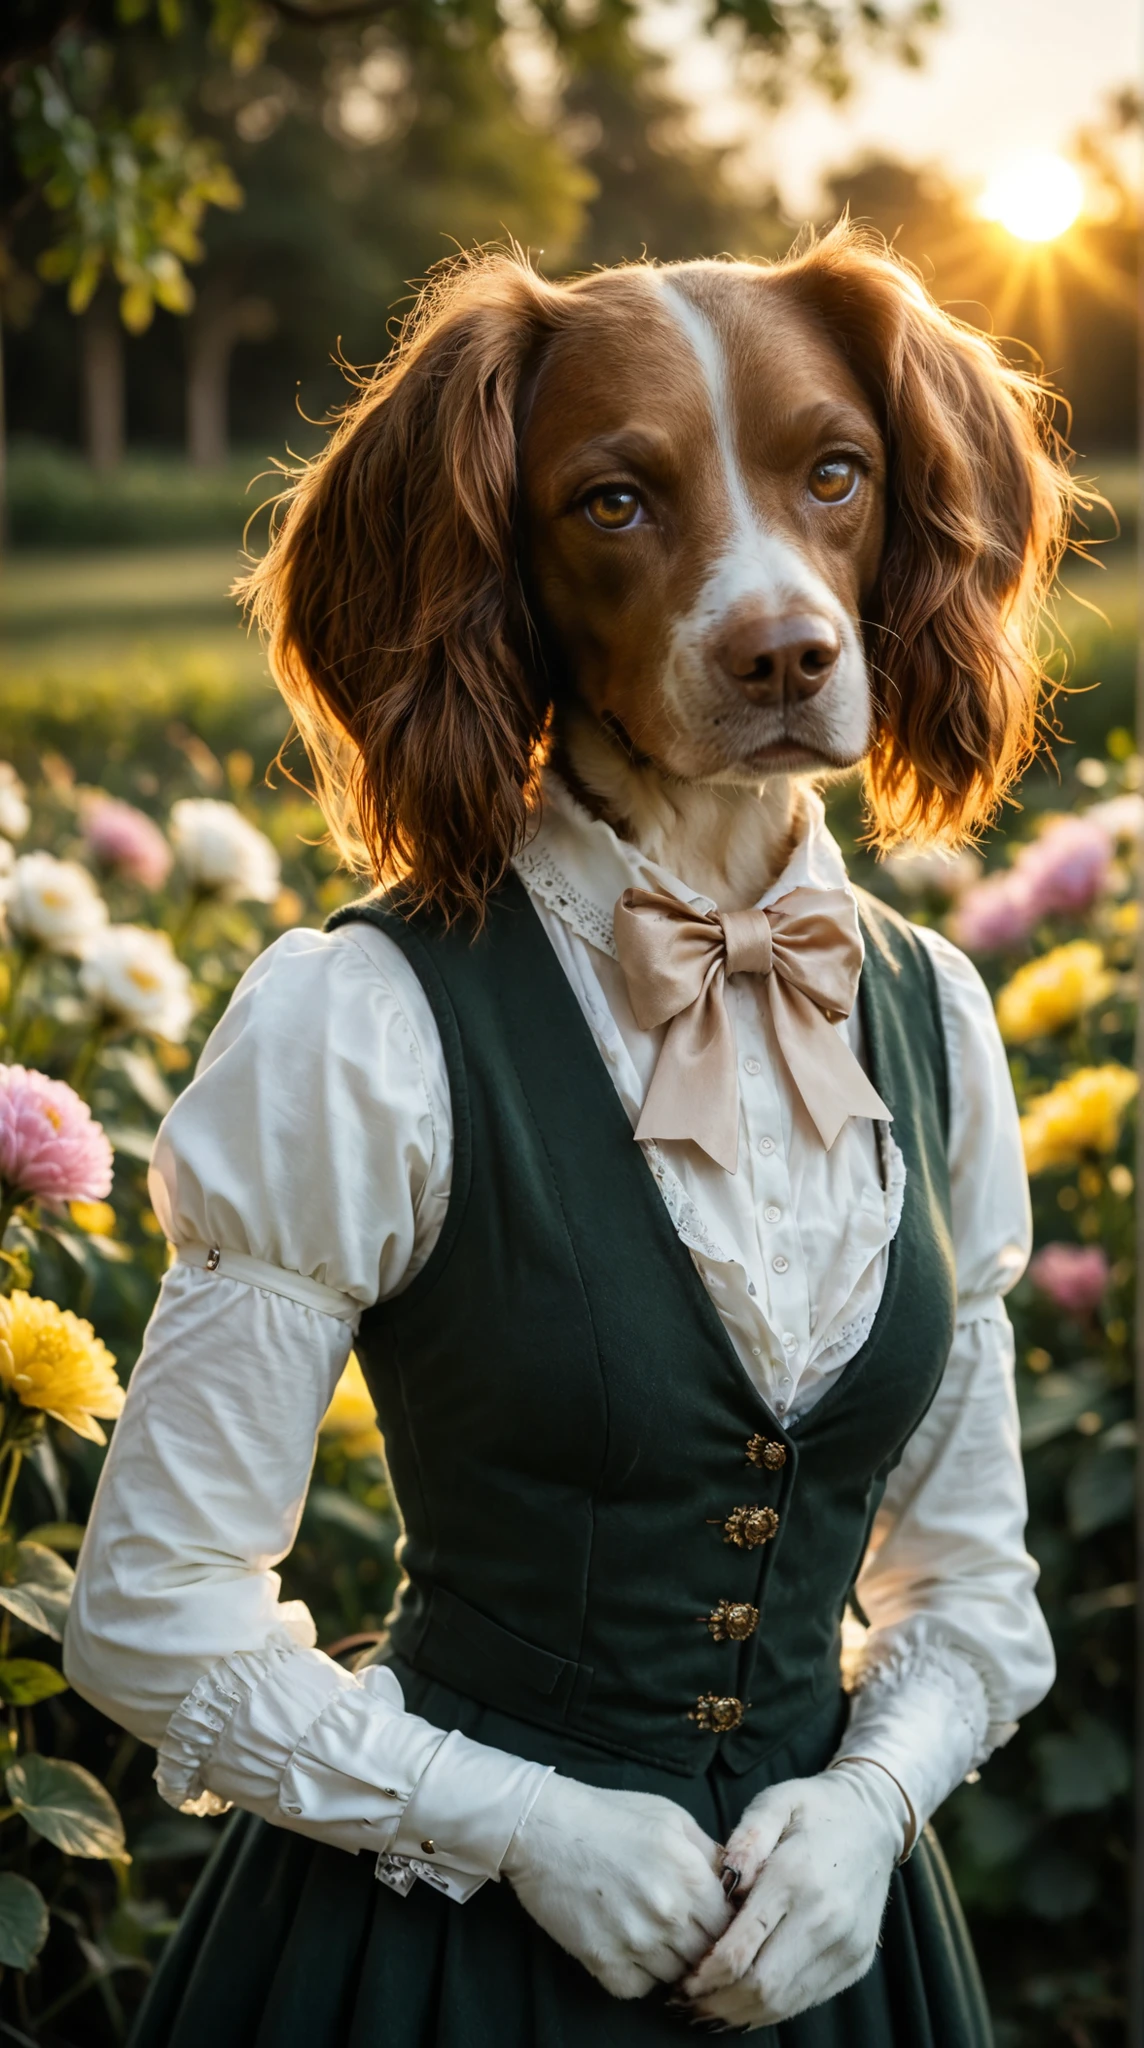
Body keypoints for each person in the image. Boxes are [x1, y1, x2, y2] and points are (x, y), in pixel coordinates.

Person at [66, 232, 1061, 2044]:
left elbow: (975, 1592)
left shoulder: (937, 1022)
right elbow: (148, 1611)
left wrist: (866, 1805)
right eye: (620, 503)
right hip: (426, 1970)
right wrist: (517, 1826)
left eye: (827, 478)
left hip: (841, 1962)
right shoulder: (363, 1023)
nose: (774, 610)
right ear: (496, 573)